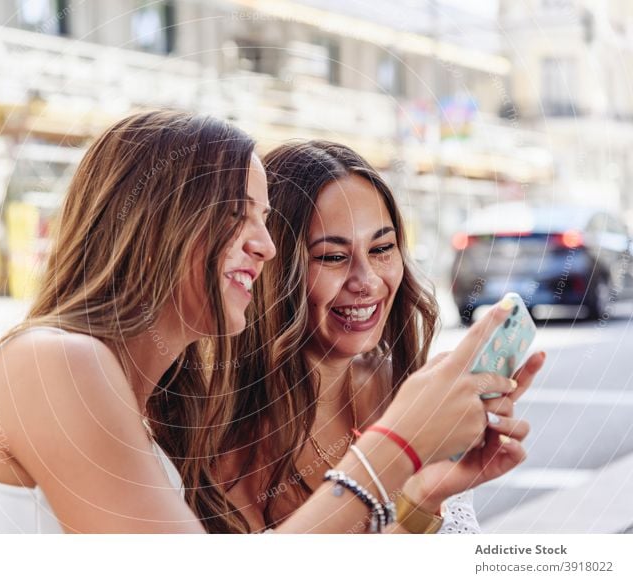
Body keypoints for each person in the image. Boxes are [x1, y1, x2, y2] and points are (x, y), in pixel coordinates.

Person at [0, 111, 521, 534]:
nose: (263, 246)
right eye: (237, 216)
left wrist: (421, 496)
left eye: (263, 219)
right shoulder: (54, 362)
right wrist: (398, 447)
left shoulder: (146, 408)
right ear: (155, 227)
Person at [218, 140, 546, 532]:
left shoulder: (409, 390)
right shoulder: (217, 436)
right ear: (270, 266)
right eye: (333, 256)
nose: (368, 281)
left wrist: (427, 496)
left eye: (382, 248)